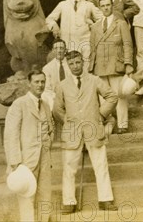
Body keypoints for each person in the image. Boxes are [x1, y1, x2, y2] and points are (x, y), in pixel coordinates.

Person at [53, 51, 119, 214]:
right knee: (69, 168)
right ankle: (68, 202)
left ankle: (105, 200)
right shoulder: (62, 85)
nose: (75, 66)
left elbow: (112, 97)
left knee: (100, 165)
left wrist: (101, 115)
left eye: (77, 62)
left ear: (83, 62)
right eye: (72, 64)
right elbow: (57, 109)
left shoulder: (94, 80)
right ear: (68, 65)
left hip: (93, 129)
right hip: (72, 132)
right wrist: (68, 122)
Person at [4, 70, 55, 222]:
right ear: (29, 83)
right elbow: (10, 134)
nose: (40, 85)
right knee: (27, 196)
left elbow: (50, 129)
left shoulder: (45, 104)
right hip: (25, 160)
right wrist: (15, 161)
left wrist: (46, 145)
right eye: (36, 82)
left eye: (42, 82)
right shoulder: (19, 104)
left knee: (45, 194)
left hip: (44, 158)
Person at [89, 0, 134, 134]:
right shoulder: (96, 26)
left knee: (120, 96)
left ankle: (123, 124)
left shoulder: (120, 24)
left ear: (112, 6)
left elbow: (127, 44)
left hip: (116, 65)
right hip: (100, 67)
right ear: (99, 8)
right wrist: (91, 67)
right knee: (104, 99)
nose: (106, 8)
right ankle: (108, 125)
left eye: (108, 5)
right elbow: (92, 48)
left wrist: (128, 64)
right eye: (103, 6)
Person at [46, 0, 102, 69]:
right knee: (68, 68)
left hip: (85, 44)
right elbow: (49, 19)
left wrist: (94, 26)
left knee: (85, 68)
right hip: (68, 43)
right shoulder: (62, 5)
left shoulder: (88, 5)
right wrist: (54, 26)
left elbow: (103, 19)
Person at [41, 38, 71, 109]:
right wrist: (58, 98)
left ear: (65, 50)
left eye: (61, 48)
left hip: (71, 95)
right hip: (55, 96)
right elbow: (47, 89)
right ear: (53, 51)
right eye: (56, 48)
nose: (59, 51)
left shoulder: (71, 64)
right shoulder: (47, 68)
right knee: (45, 96)